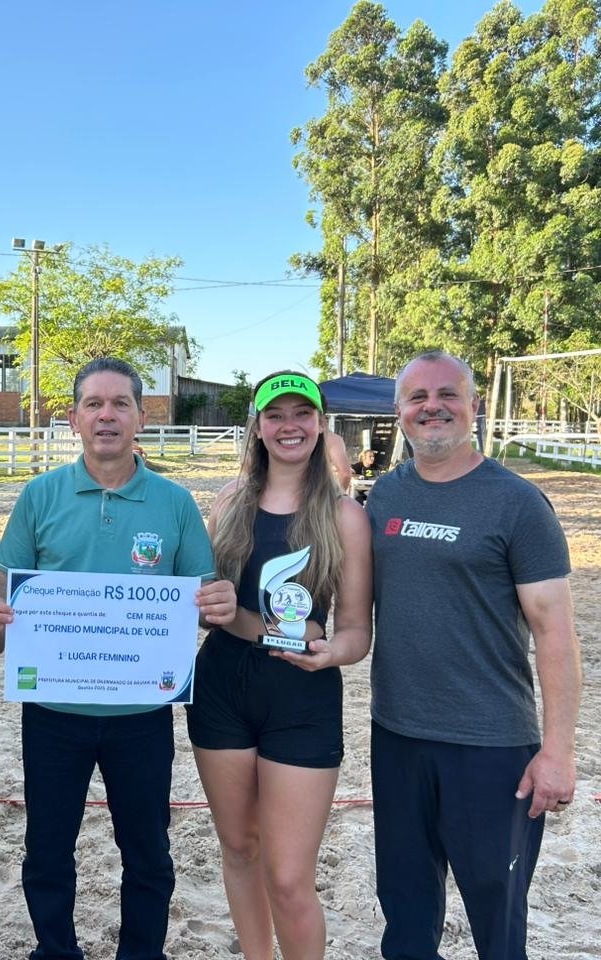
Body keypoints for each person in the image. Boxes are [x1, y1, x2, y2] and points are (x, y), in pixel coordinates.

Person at [0, 356, 237, 960]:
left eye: (121, 404)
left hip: (143, 713)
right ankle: (55, 951)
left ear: (142, 417)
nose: (107, 416)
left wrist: (216, 602)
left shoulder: (174, 503)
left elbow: (200, 595)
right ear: (74, 418)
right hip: (52, 709)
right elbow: (4, 581)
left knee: (148, 853)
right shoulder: (40, 495)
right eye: (94, 404)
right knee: (47, 850)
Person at [365, 350, 580, 960]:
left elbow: (556, 632)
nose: (432, 407)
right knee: (405, 908)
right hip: (397, 735)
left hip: (491, 744)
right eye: (418, 397)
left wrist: (558, 751)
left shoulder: (518, 503)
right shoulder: (384, 497)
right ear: (399, 411)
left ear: (474, 406)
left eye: (448, 395)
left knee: (496, 911)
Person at [187, 370, 372, 960]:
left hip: (302, 695)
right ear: (258, 427)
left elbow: (356, 632)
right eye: (275, 415)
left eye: (301, 414)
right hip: (222, 689)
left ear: (320, 424)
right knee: (240, 849)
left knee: (290, 877)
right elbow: (205, 603)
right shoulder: (229, 502)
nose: (289, 426)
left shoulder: (344, 516)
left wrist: (329, 653)